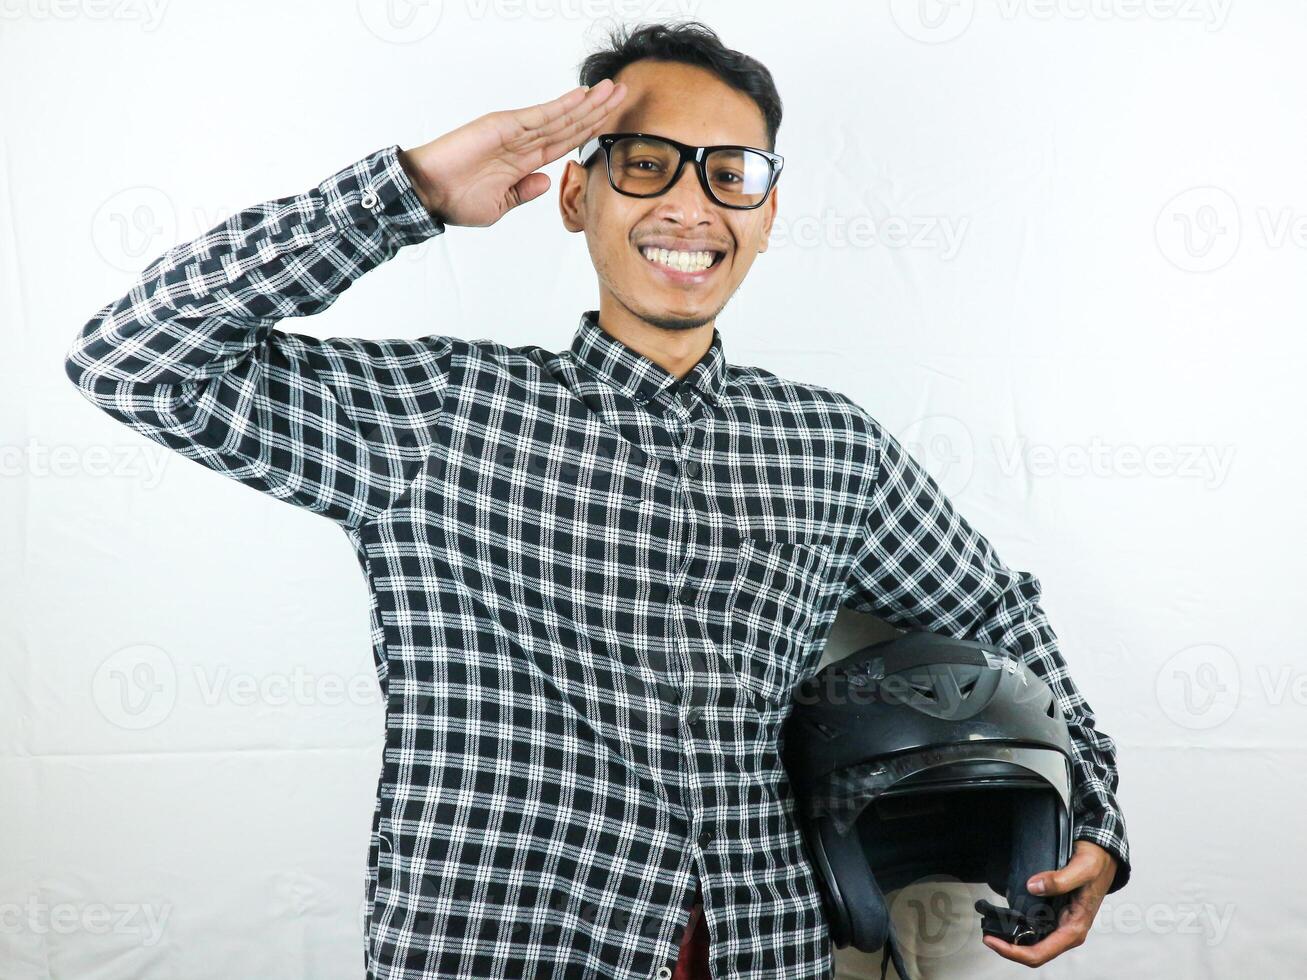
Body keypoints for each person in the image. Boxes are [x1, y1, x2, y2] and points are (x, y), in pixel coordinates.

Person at [64, 20, 1129, 980]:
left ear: (764, 215)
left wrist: (1093, 808)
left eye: (730, 174)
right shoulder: (436, 414)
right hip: (501, 944)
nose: (688, 204)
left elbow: (992, 609)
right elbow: (134, 361)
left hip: (764, 945)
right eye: (644, 162)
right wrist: (413, 188)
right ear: (576, 194)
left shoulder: (832, 445)